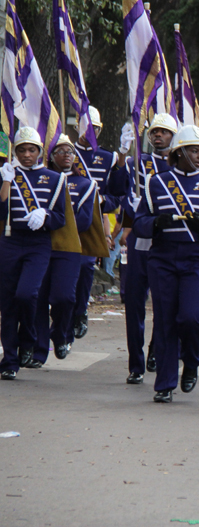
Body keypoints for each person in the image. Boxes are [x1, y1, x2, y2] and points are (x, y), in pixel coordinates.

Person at [134, 125, 199, 403]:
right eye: (194, 150)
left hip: (198, 259)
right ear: (179, 152)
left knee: (191, 317)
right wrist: (155, 223)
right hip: (162, 258)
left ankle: (191, 360)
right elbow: (140, 222)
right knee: (165, 321)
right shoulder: (157, 182)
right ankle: (164, 383)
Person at [107, 113, 177, 384]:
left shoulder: (177, 165)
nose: (158, 136)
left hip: (165, 240)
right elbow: (114, 191)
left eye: (164, 132)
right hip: (137, 240)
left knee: (164, 303)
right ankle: (135, 364)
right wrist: (122, 157)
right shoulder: (138, 163)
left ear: (173, 137)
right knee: (134, 303)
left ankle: (156, 349)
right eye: (154, 132)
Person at [0, 127, 68, 380]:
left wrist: (45, 215)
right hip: (9, 239)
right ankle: (9, 360)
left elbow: (61, 217)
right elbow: (0, 210)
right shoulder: (6, 173)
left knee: (26, 294)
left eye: (31, 150)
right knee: (7, 303)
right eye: (21, 150)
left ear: (39, 151)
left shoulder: (54, 178)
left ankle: (28, 338)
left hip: (38, 244)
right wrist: (6, 181)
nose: (26, 154)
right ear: (15, 151)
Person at [32, 135, 99, 366]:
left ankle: (61, 334)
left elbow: (82, 221)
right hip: (40, 246)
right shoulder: (41, 180)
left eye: (70, 150)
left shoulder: (85, 184)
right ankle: (39, 351)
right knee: (38, 299)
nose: (67, 154)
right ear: (50, 156)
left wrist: (50, 221)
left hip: (69, 248)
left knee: (64, 297)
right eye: (60, 151)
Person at [71, 106, 118, 340]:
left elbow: (116, 195)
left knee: (85, 267)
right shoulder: (65, 151)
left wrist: (103, 201)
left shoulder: (108, 158)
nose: (90, 132)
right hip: (66, 217)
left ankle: (80, 312)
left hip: (93, 223)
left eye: (95, 128)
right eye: (86, 126)